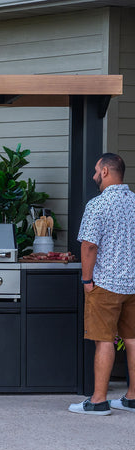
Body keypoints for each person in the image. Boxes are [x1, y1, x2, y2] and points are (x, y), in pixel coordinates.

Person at [69, 153, 135, 415]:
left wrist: (87, 279)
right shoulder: (134, 202)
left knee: (104, 340)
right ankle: (132, 397)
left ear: (106, 171)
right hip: (132, 284)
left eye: (97, 171)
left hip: (105, 283)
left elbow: (89, 245)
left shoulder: (98, 204)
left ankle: (98, 401)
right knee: (132, 339)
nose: (95, 176)